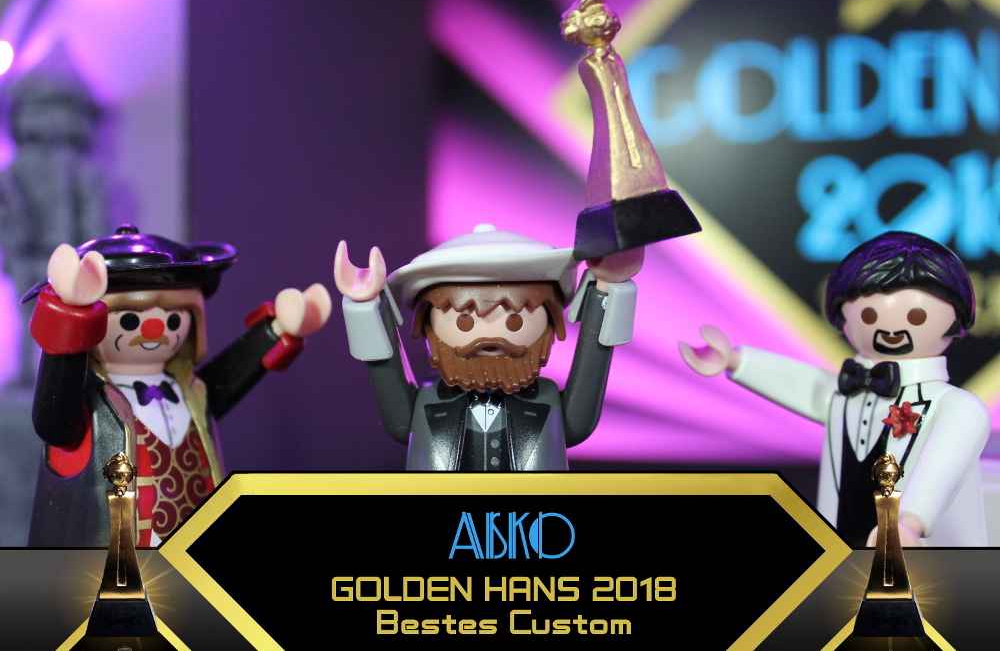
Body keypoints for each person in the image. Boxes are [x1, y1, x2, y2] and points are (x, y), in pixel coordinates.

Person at [680, 231, 990, 547]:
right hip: (841, 555)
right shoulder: (846, 393)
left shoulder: (957, 406)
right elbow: (804, 383)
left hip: (933, 563)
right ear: (842, 315)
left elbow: (941, 468)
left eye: (916, 316)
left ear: (957, 318)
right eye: (869, 315)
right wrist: (735, 360)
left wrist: (909, 523)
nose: (891, 330)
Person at [25, 226, 330, 546]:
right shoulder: (88, 403)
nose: (155, 330)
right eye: (130, 320)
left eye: (173, 320)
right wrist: (70, 317)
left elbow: (228, 378)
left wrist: (277, 330)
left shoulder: (191, 393)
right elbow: (54, 421)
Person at [334, 224, 641, 471]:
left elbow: (590, 376)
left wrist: (608, 290)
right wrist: (366, 307)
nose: (490, 338)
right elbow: (388, 383)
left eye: (514, 322)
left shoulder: (549, 402)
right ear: (428, 324)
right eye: (465, 321)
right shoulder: (425, 403)